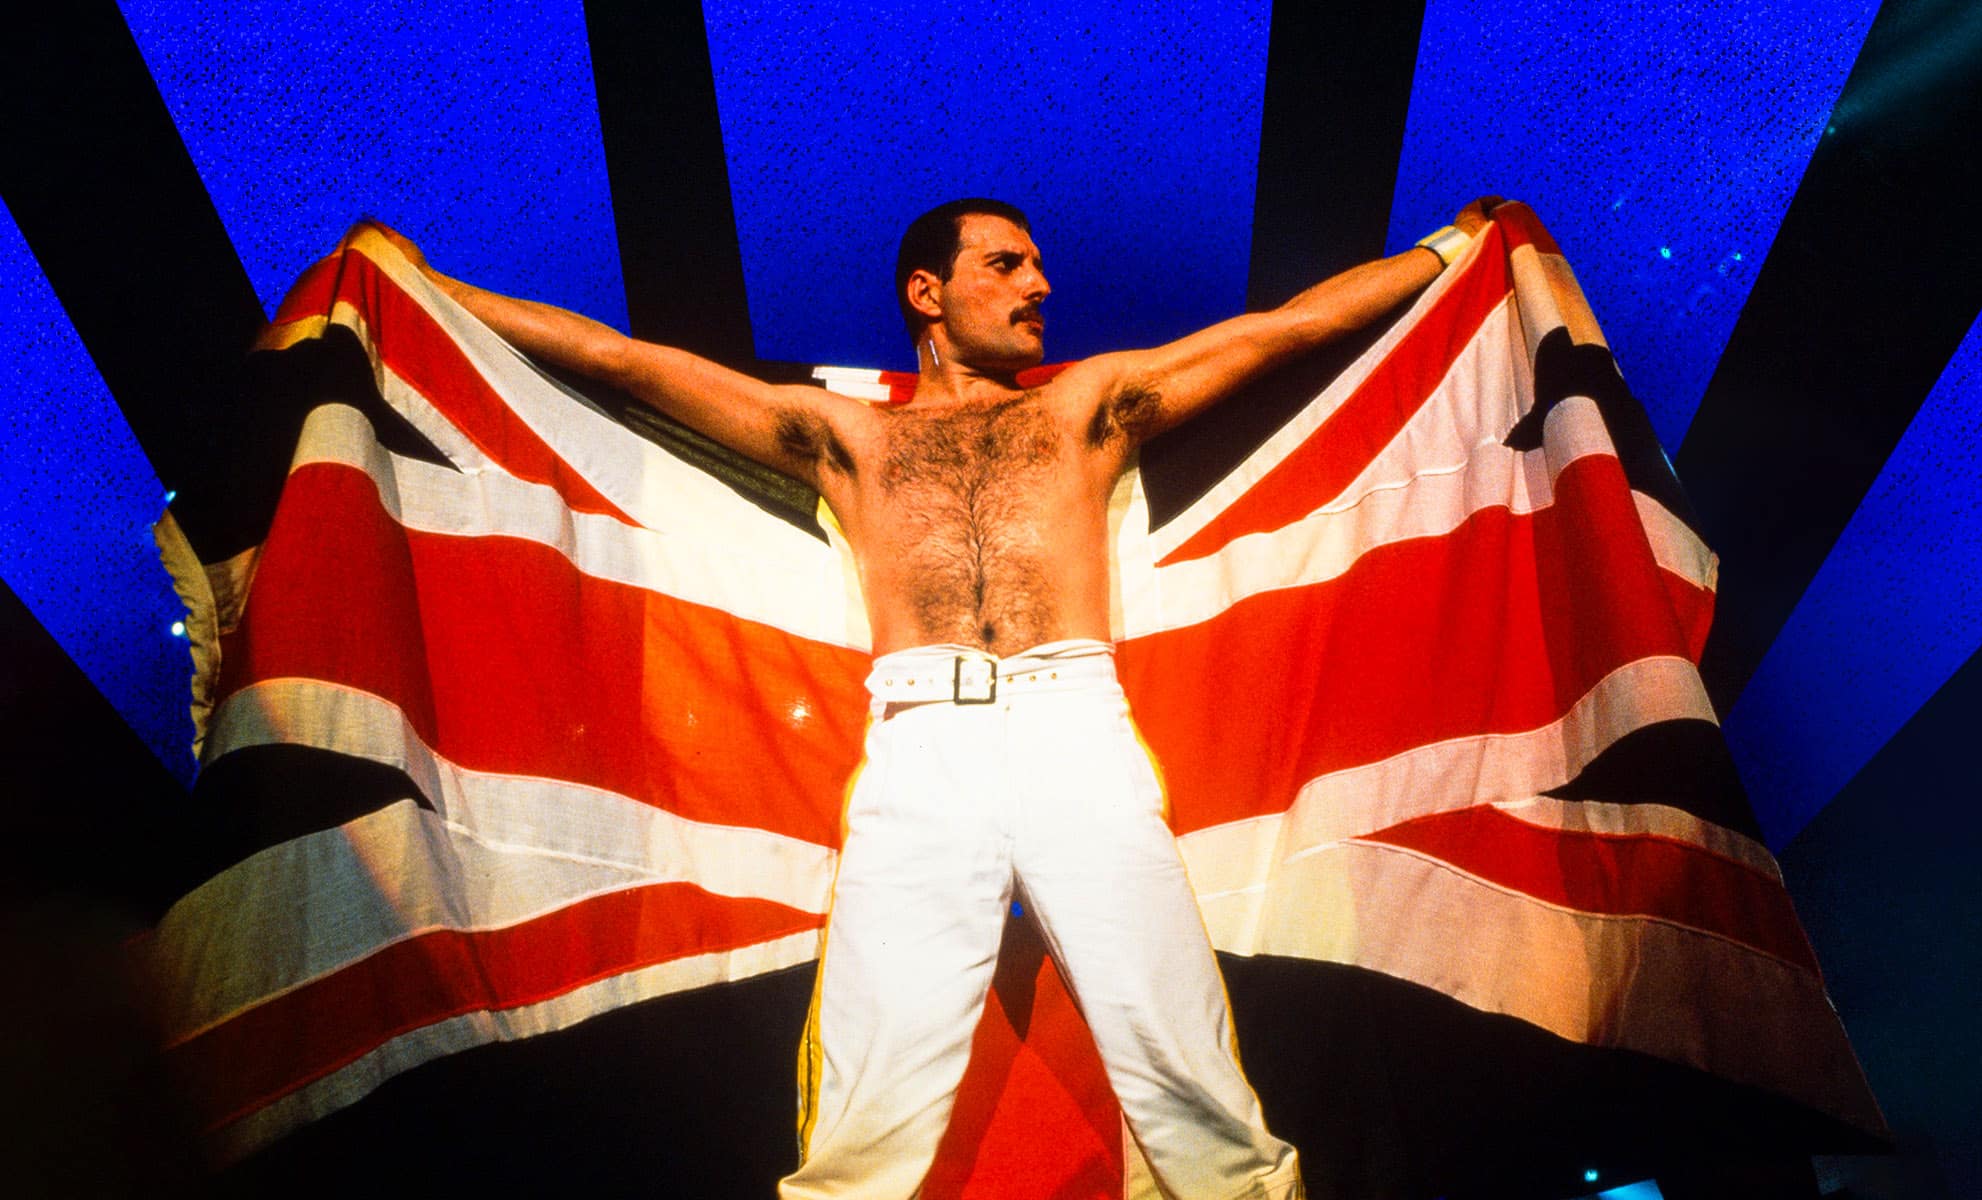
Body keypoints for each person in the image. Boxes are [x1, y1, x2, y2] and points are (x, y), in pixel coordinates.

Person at [377, 195, 1494, 1199]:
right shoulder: (847, 438)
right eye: (1006, 265)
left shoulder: (1088, 407)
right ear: (928, 291)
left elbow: (1280, 331)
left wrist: (1447, 251)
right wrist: (426, 287)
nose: (1039, 286)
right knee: (882, 1059)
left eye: (1035, 268)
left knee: (1174, 1039)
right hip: (921, 738)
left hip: (1071, 722)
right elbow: (621, 361)